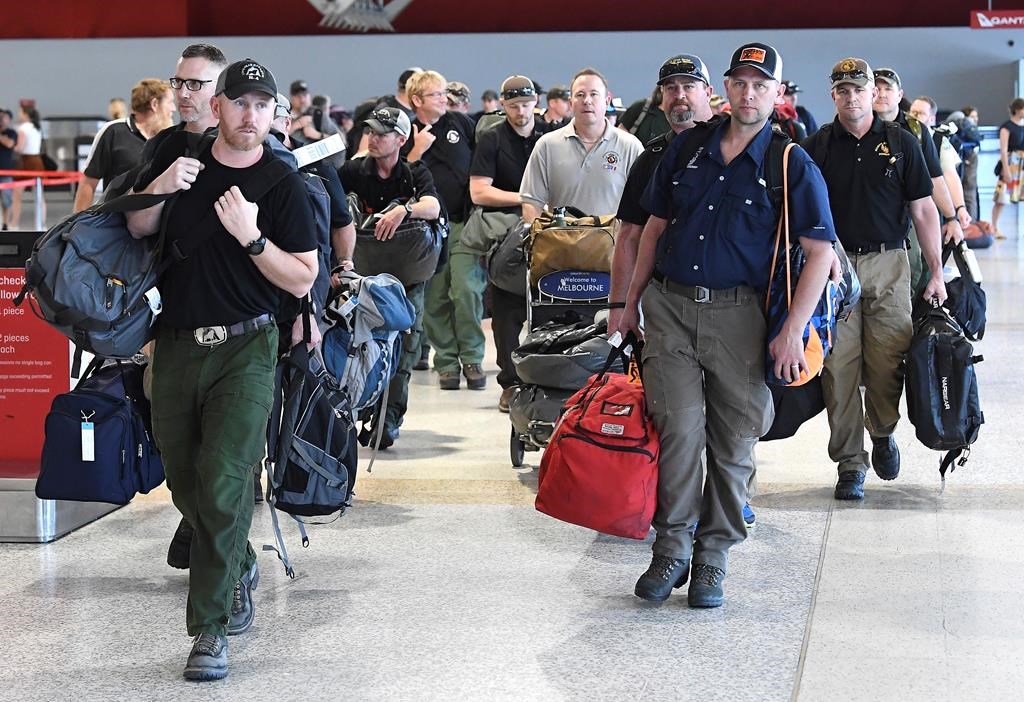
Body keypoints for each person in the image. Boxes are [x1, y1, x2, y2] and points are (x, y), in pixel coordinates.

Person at [617, 42, 835, 607]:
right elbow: (652, 230)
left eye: (761, 84)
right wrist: (629, 303)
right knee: (680, 433)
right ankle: (671, 550)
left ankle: (713, 558)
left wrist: (791, 331)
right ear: (726, 89)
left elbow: (820, 254)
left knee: (735, 439)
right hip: (669, 309)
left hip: (742, 317)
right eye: (740, 82)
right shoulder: (686, 149)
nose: (748, 92)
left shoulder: (790, 162)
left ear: (776, 94)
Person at [125, 59, 317, 681]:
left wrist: (253, 238)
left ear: (272, 113)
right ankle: (233, 561)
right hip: (175, 346)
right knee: (185, 481)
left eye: (262, 105)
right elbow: (133, 226)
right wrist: (160, 187)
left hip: (247, 348)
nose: (250, 115)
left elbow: (303, 274)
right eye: (240, 102)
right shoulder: (179, 160)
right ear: (218, 106)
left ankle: (209, 629)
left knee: (226, 480)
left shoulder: (282, 182)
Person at [803, 58, 946, 501]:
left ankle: (882, 432)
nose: (851, 97)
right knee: (838, 368)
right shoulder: (817, 146)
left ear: (873, 93)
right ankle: (849, 462)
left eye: (858, 90)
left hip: (891, 264)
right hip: (836, 269)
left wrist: (937, 272)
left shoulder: (903, 142)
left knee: (888, 362)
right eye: (842, 90)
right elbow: (803, 212)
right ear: (834, 96)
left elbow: (924, 210)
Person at [339, 106, 441, 447]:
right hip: (363, 276)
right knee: (356, 343)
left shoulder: (414, 173)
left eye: (382, 133)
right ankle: (353, 408)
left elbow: (434, 207)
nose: (373, 138)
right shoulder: (353, 171)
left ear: (401, 139)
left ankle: (389, 416)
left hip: (408, 276)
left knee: (406, 344)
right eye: (370, 132)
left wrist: (404, 209)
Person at [468, 75, 547, 411]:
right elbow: (479, 190)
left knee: (552, 306)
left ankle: (551, 376)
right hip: (507, 236)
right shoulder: (491, 137)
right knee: (506, 312)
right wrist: (527, 198)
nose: (521, 112)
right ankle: (510, 382)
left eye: (526, 105)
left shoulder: (550, 135)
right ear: (503, 106)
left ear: (536, 103)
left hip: (549, 229)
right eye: (513, 106)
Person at [401, 69, 483, 391]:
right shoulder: (407, 132)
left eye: (444, 93)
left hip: (463, 222)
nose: (444, 99)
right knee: (434, 299)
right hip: (426, 231)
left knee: (466, 291)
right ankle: (447, 361)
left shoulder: (461, 123)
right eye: (436, 94)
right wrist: (416, 151)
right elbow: (398, 177)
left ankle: (473, 357)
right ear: (417, 100)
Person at [872, 67, 963, 296]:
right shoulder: (857, 128)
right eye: (876, 88)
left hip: (912, 217)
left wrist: (952, 217)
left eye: (887, 89)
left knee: (916, 274)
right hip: (872, 221)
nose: (881, 94)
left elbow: (936, 178)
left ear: (899, 95)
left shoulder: (915, 131)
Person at [519, 68, 643, 225]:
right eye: (580, 95)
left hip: (612, 246)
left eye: (594, 94)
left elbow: (641, 207)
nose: (587, 101)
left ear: (607, 100)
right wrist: (540, 241)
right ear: (570, 103)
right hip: (561, 245)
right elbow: (531, 204)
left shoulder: (630, 147)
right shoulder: (547, 146)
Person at [73, 78, 175, 212]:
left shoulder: (168, 137)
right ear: (155, 104)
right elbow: (88, 183)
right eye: (170, 102)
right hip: (116, 223)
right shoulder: (113, 132)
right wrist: (76, 224)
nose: (173, 108)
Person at [990, 97, 1024, 239]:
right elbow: (1003, 150)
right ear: (1017, 109)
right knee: (1001, 198)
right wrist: (1006, 169)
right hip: (1010, 163)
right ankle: (994, 227)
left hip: (1022, 165)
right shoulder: (1007, 126)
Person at [10, 105, 45, 229]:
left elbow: (19, 148)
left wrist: (11, 146)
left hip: (25, 162)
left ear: (25, 114)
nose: (19, 114)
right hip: (37, 161)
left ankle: (14, 224)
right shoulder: (38, 127)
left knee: (17, 194)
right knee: (39, 195)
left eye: (20, 112)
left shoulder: (23, 128)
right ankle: (42, 225)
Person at [0, 109, 17, 230]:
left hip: (6, 172)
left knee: (6, 200)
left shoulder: (11, 132)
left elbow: (9, 144)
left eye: (3, 117)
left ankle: (5, 224)